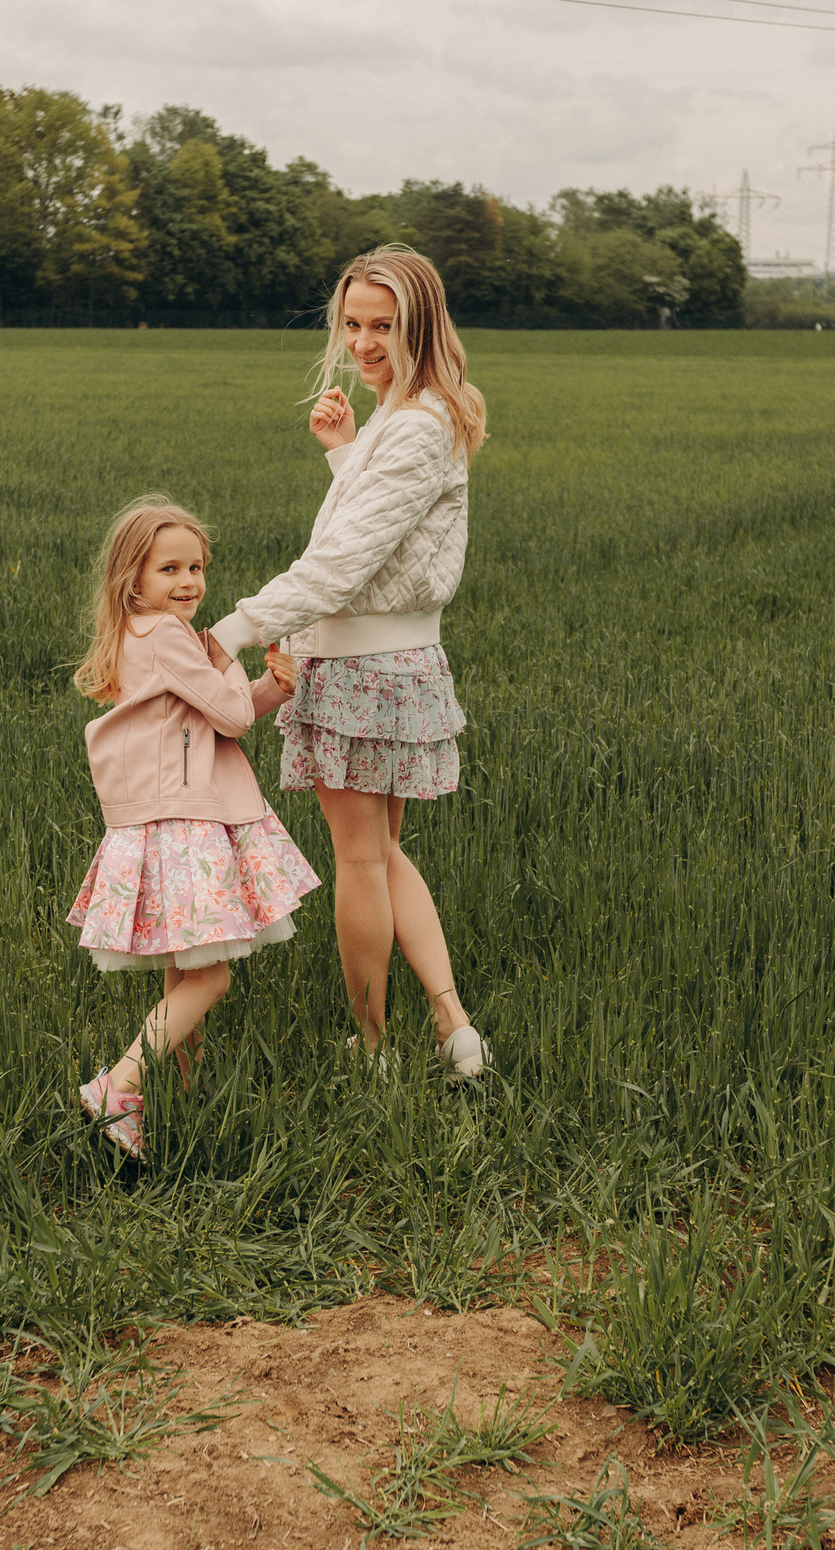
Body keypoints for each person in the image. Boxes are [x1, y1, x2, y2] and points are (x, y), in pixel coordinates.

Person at [206, 246, 488, 1080]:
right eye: (353, 324)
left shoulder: (418, 423)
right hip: (395, 664)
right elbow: (381, 535)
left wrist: (224, 633)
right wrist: (342, 450)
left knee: (360, 861)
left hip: (364, 672)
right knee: (385, 853)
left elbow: (340, 567)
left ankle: (370, 1049)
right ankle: (454, 1024)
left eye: (383, 326)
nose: (363, 343)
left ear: (422, 326)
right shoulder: (410, 416)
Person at [69, 495, 316, 1157]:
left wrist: (271, 688)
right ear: (134, 578)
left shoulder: (141, 634)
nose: (188, 582)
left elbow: (209, 715)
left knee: (187, 970)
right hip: (185, 821)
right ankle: (118, 1085)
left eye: (197, 567)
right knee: (212, 977)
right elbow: (229, 715)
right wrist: (228, 651)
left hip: (164, 813)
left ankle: (184, 1094)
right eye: (169, 568)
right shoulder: (172, 636)